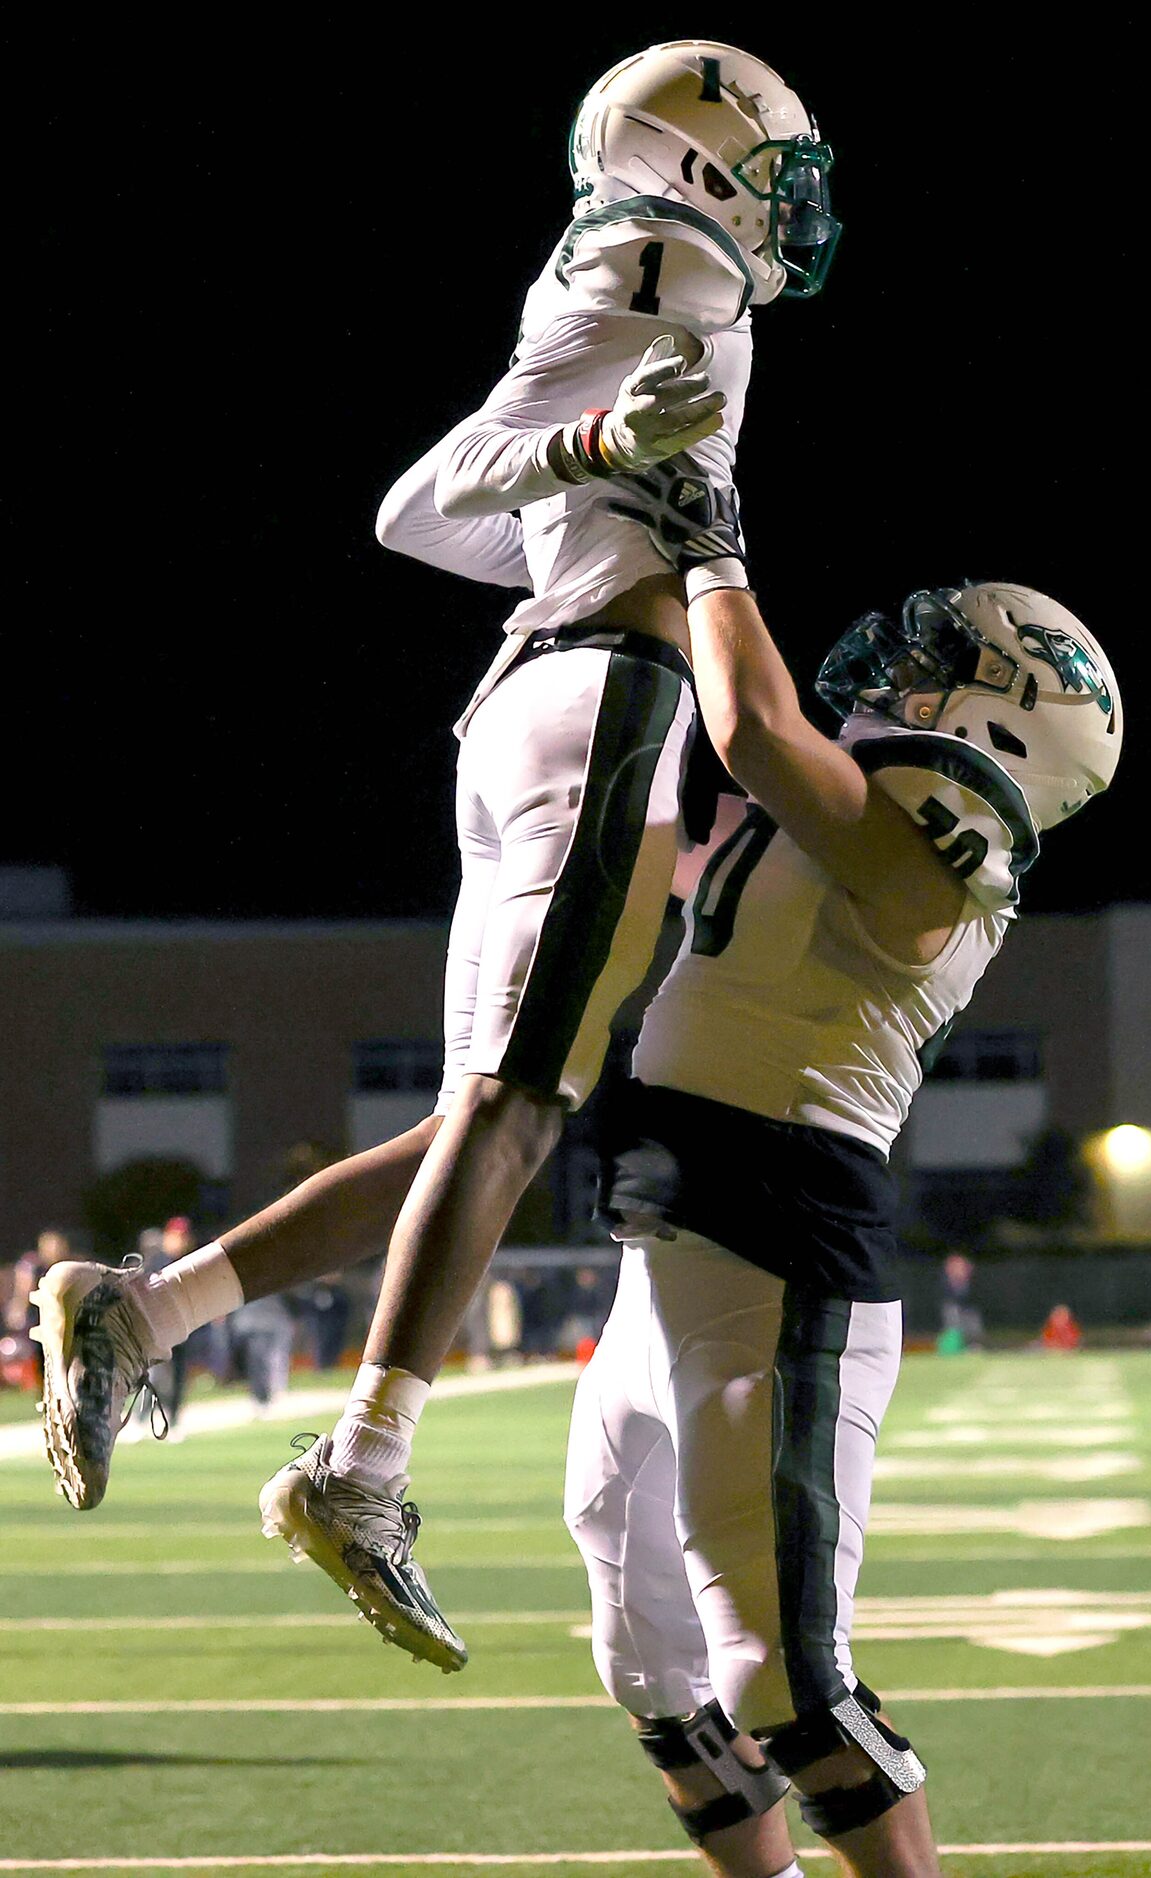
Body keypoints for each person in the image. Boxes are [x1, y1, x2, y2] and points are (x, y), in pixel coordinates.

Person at [31, 41, 840, 1676]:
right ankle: (360, 1465)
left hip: (534, 698)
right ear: (690, 159)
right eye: (768, 161)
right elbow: (461, 491)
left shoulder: (633, 264)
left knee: (489, 1114)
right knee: (517, 1108)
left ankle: (149, 1306)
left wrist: (589, 459)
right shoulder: (664, 253)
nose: (791, 200)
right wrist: (602, 446)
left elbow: (428, 506)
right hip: (605, 702)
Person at [559, 478, 1122, 1874]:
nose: (901, 668)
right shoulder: (852, 779)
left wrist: (710, 549)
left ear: (1002, 727)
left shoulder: (950, 817)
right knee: (652, 1665)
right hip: (672, 1238)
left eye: (949, 668)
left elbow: (753, 725)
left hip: (775, 1242)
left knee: (782, 1678)